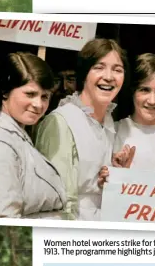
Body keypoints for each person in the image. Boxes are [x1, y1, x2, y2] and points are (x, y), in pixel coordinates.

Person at [36, 39, 130, 221]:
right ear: (84, 74)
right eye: (99, 67)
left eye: (117, 70)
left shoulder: (109, 120)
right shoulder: (61, 121)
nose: (109, 76)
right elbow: (57, 203)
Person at [0, 51, 65, 219]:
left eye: (45, 96)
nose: (38, 104)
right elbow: (2, 217)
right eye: (30, 94)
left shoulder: (16, 133)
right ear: (5, 92)